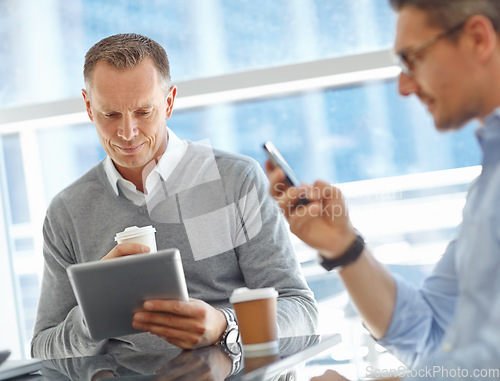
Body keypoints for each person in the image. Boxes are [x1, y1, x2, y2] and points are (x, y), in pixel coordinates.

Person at [31, 33, 318, 362]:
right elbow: (43, 346)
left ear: (168, 102)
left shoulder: (236, 180)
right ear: (88, 107)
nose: (127, 133)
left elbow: (300, 310)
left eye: (143, 112)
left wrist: (225, 328)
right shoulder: (67, 211)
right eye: (110, 115)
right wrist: (94, 311)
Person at [266, 1, 500, 380]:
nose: (405, 86)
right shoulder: (487, 188)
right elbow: (430, 334)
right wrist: (343, 248)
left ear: (477, 39)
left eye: (412, 60)